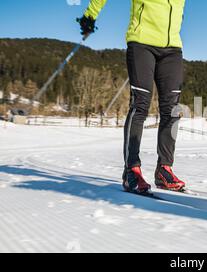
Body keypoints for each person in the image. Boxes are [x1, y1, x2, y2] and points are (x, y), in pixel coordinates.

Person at [78, 0, 187, 194]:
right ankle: (131, 171)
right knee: (140, 105)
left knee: (172, 110)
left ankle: (164, 169)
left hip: (172, 48)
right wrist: (90, 15)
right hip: (142, 43)